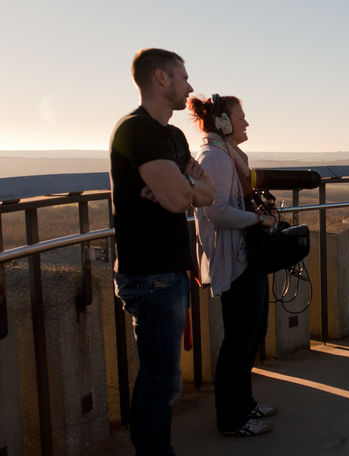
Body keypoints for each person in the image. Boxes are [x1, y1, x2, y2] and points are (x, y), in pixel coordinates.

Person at [110, 48, 215, 455]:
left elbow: (206, 193)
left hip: (169, 272)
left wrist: (180, 189)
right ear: (160, 78)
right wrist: (182, 190)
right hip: (149, 275)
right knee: (159, 382)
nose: (190, 87)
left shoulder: (172, 135)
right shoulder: (136, 130)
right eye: (183, 77)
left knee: (163, 380)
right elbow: (181, 197)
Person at [187, 94, 277, 436]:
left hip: (243, 257)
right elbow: (215, 211)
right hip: (234, 261)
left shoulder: (226, 156)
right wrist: (259, 219)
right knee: (238, 340)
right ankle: (231, 418)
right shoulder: (215, 159)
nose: (246, 123)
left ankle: (245, 403)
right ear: (223, 123)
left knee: (250, 335)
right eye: (241, 118)